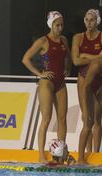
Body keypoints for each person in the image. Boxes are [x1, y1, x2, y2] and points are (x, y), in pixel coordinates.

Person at [22, 11, 70, 163]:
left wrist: (67, 69)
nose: (60, 28)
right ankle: (41, 155)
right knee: (47, 118)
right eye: (57, 25)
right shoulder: (43, 41)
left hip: (61, 83)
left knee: (62, 119)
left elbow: (67, 56)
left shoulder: (64, 40)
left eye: (62, 25)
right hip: (47, 84)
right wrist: (39, 73)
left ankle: (60, 155)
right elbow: (25, 59)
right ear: (51, 25)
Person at [71, 9, 102, 153]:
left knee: (97, 118)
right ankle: (87, 152)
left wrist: (85, 55)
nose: (89, 23)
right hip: (83, 79)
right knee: (86, 118)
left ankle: (96, 153)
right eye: (86, 20)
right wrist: (96, 57)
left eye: (92, 20)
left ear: (97, 21)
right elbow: (75, 61)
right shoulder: (78, 37)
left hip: (99, 80)